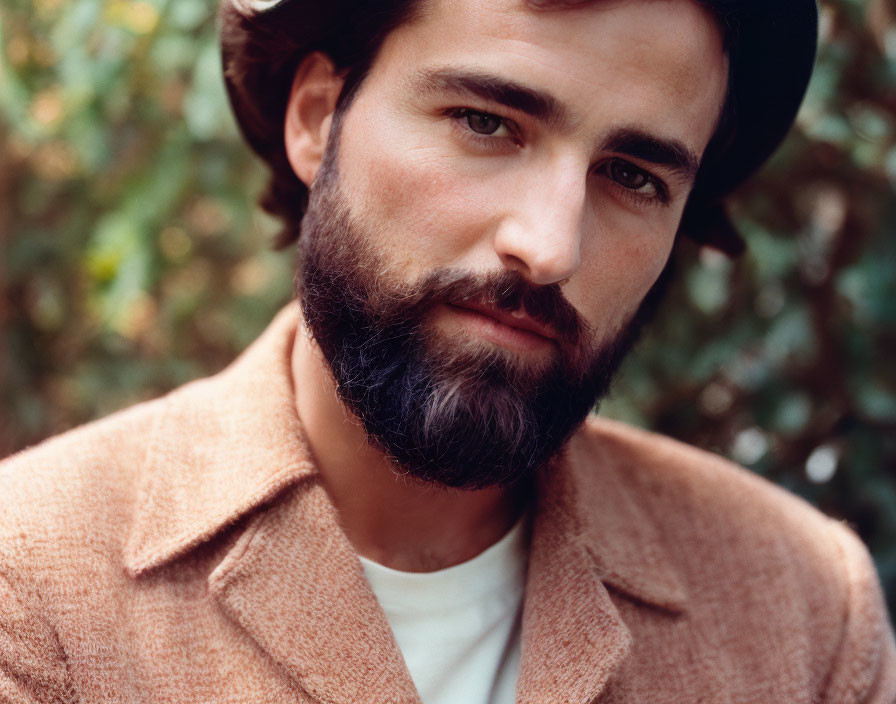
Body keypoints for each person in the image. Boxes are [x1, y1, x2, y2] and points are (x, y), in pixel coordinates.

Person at [1, 0, 894, 702]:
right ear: (318, 118)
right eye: (485, 122)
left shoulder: (804, 609)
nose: (550, 247)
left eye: (632, 176)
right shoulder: (32, 584)